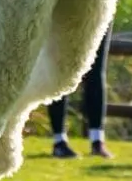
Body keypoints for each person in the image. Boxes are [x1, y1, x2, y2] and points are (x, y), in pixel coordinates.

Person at [49, 20, 114, 159]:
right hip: (66, 8)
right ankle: (59, 141)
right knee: (60, 69)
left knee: (96, 71)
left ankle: (97, 141)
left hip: (100, 6)